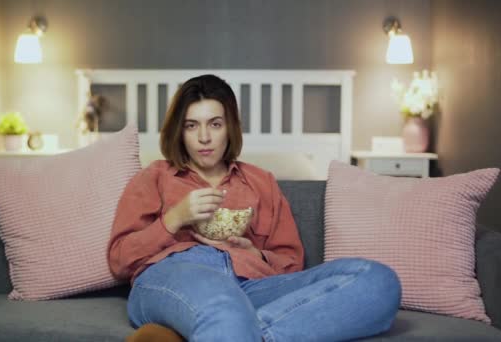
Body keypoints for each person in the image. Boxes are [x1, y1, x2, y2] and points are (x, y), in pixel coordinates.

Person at [108, 74, 401, 342]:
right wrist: (174, 219)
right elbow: (119, 260)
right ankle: (227, 323)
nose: (204, 138)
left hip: (250, 286)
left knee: (377, 281)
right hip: (172, 276)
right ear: (179, 131)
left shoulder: (262, 182)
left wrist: (254, 253)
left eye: (215, 124)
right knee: (223, 303)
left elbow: (291, 262)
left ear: (230, 127)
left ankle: (236, 331)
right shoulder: (155, 176)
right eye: (191, 125)